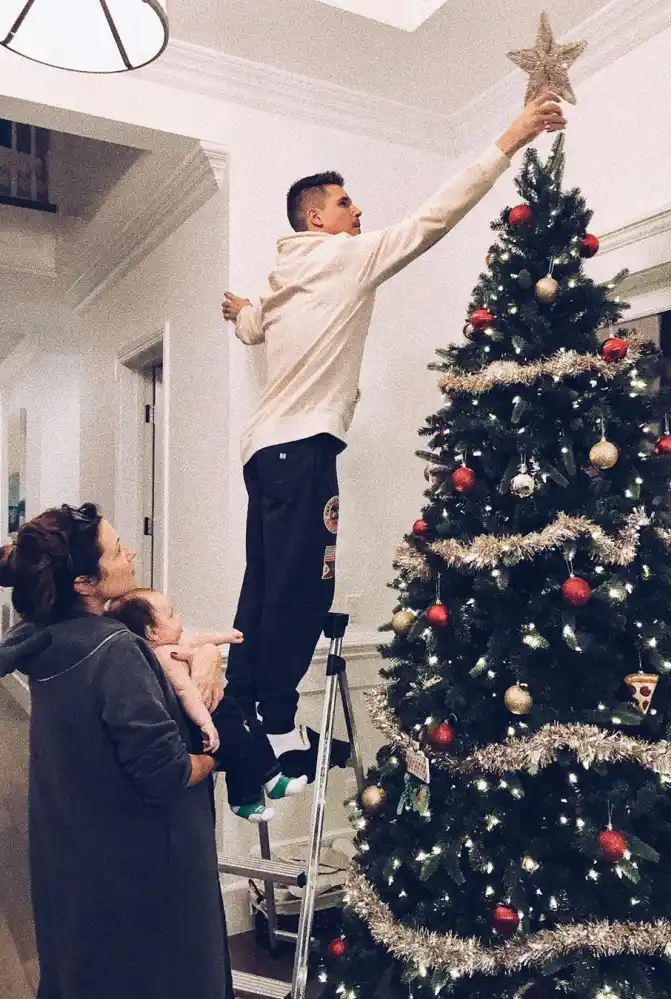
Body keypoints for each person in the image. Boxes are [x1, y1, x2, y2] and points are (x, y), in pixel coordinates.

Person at [222, 90, 567, 783]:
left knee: (263, 584)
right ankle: (277, 720)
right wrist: (513, 134)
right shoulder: (343, 258)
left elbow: (255, 322)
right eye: (345, 204)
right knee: (303, 590)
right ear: (315, 216)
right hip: (303, 452)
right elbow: (436, 216)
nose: (358, 214)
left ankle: (242, 706)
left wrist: (239, 313)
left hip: (263, 456)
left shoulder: (285, 276)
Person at [0, 504, 234, 999]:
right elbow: (164, 775)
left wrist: (206, 653)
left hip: (75, 864)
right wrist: (216, 756)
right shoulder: (115, 652)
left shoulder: (46, 637)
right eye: (116, 548)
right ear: (84, 581)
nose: (130, 552)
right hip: (147, 876)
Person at [106, 587, 308, 818]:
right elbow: (187, 692)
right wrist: (206, 724)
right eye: (171, 615)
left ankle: (273, 779)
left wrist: (225, 638)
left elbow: (199, 639)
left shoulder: (177, 641)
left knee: (254, 726)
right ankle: (244, 800)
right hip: (207, 716)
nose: (179, 618)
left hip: (223, 708)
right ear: (152, 632)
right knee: (239, 744)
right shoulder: (165, 657)